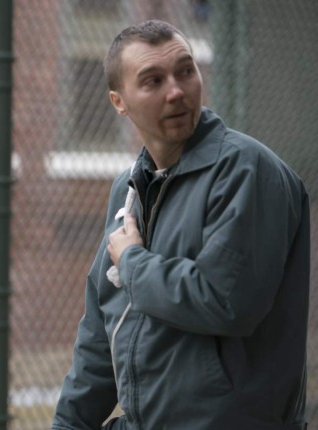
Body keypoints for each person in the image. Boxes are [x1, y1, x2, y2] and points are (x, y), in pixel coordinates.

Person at [52, 20, 309, 430]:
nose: (176, 91)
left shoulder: (246, 170)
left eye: (185, 71)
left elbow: (225, 300)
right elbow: (101, 332)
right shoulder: (128, 188)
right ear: (119, 102)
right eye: (153, 81)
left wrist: (132, 263)